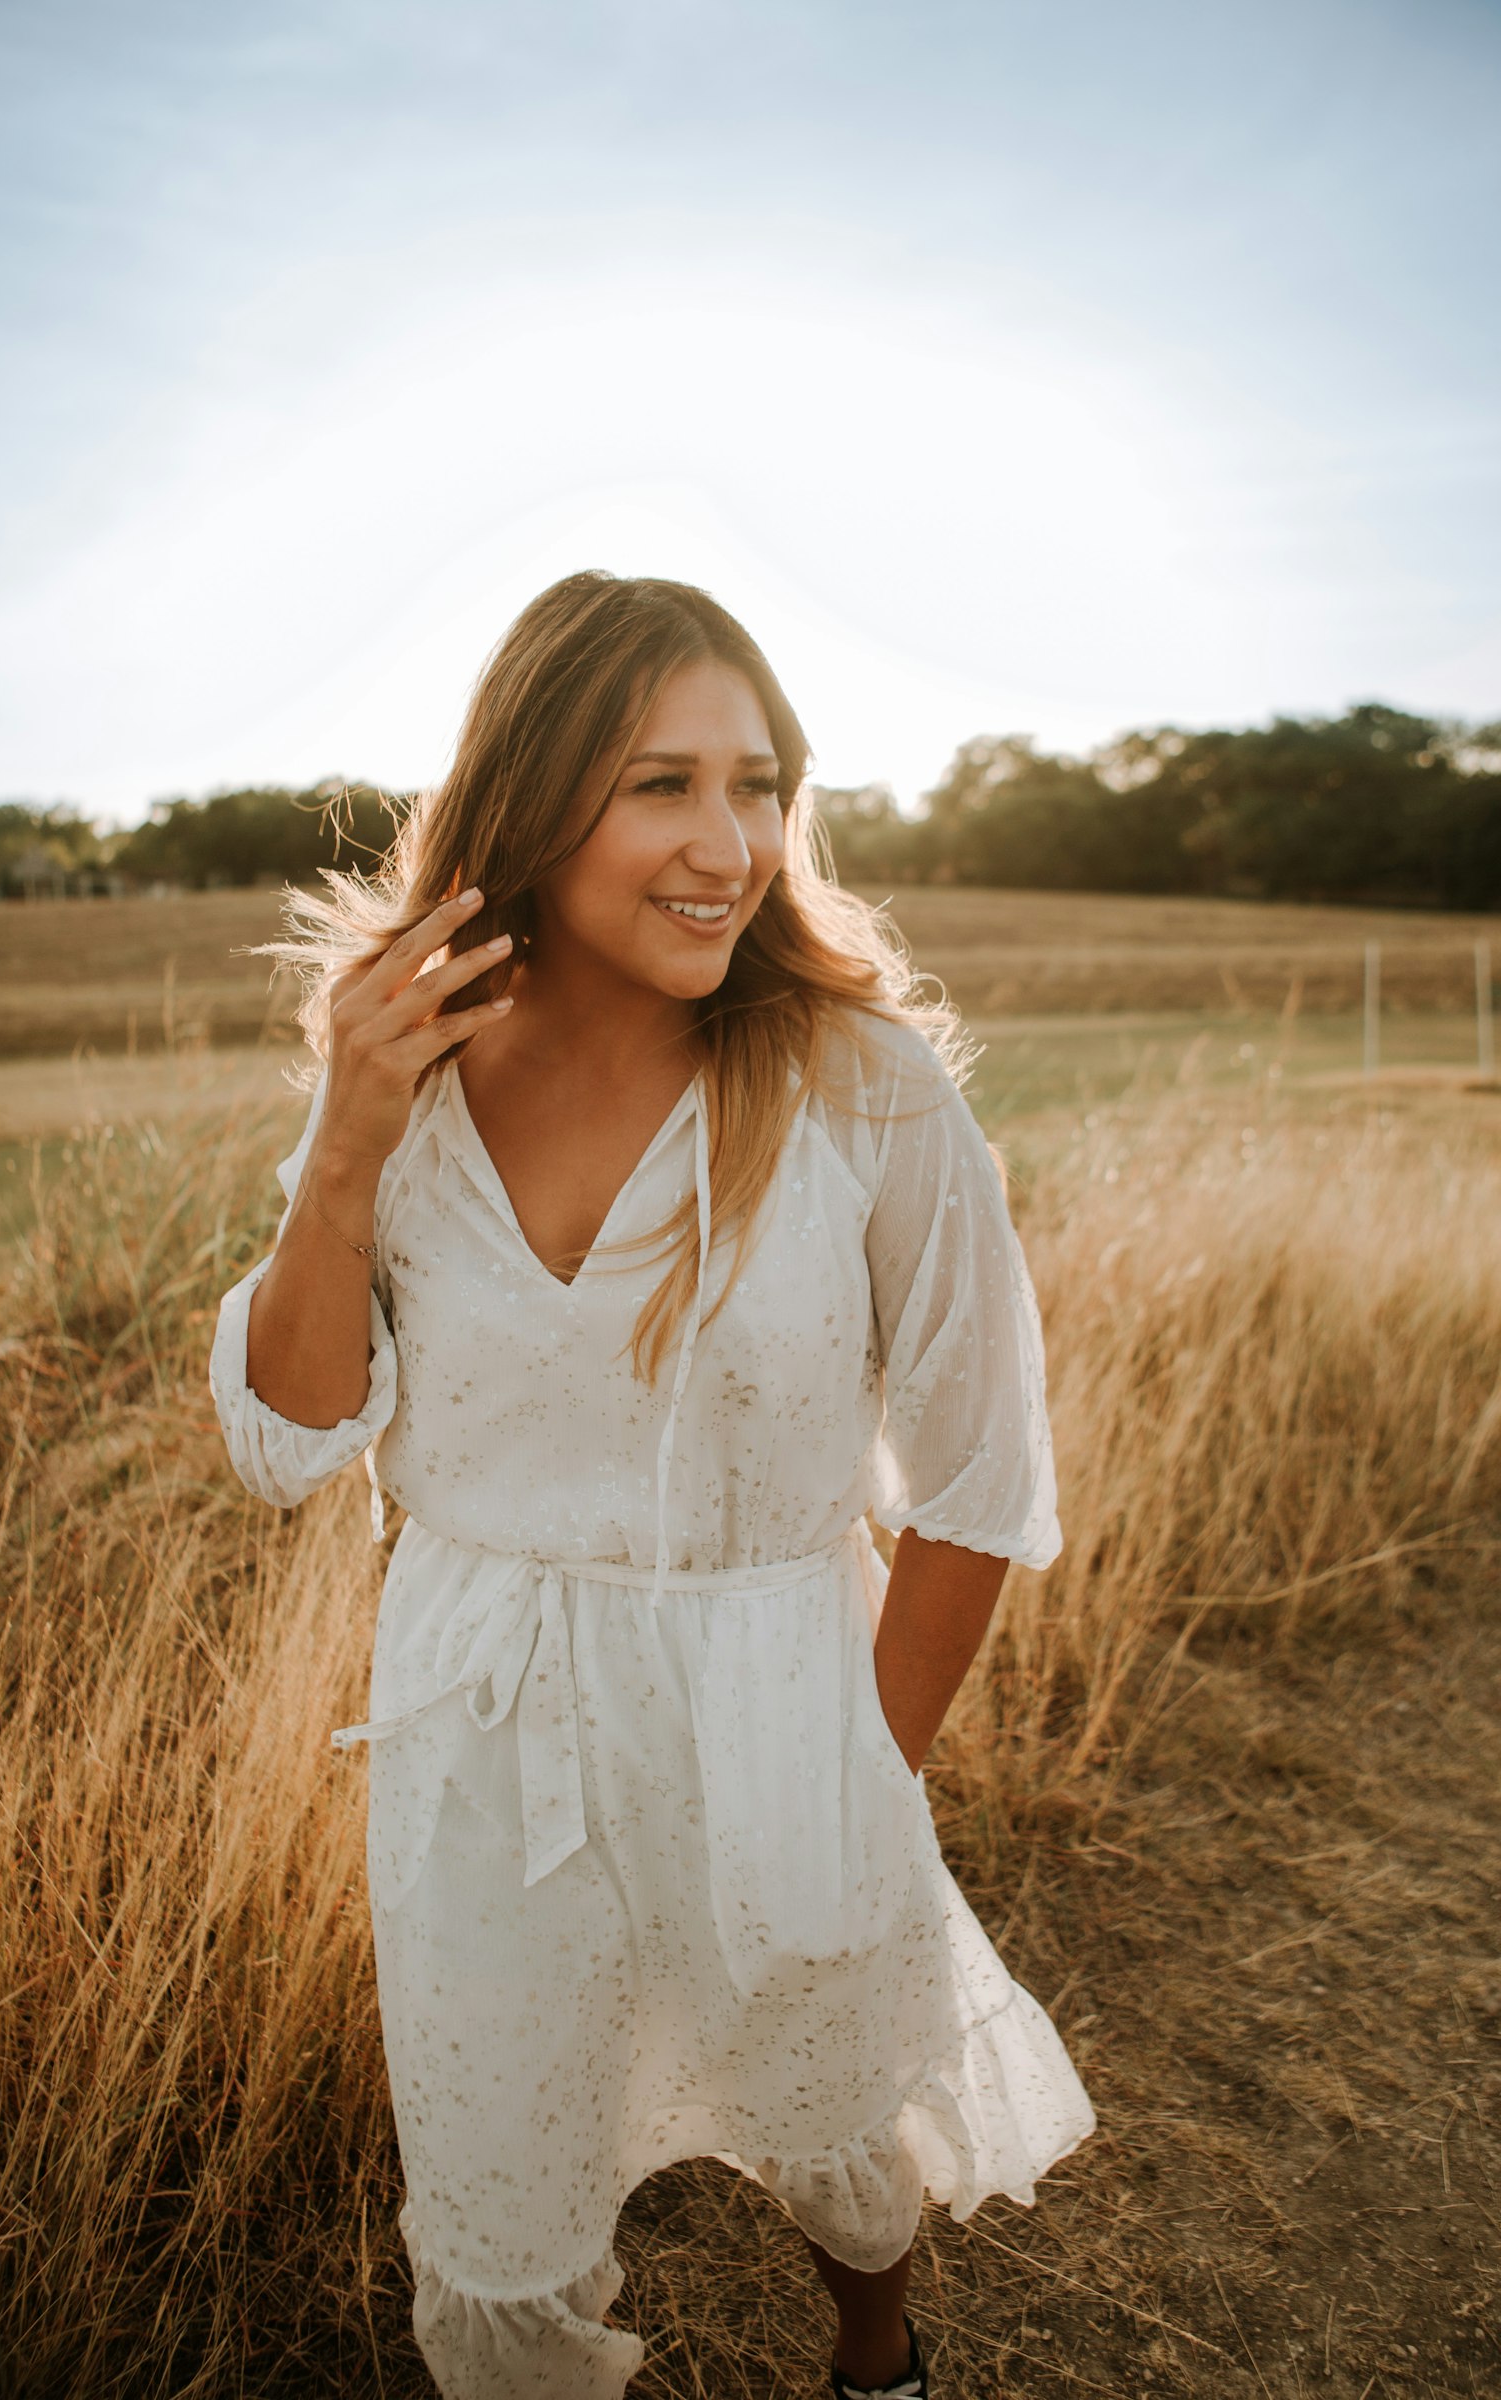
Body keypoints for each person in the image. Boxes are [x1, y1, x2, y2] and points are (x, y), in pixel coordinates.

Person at [210, 570, 1095, 2400]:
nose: (733, 843)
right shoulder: (403, 1083)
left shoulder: (868, 1092)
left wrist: (864, 1774)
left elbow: (979, 1479)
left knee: (843, 2142)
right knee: (500, 2233)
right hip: (479, 1737)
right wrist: (346, 1152)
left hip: (790, 1703)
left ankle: (880, 2351)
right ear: (531, 807)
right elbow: (286, 1439)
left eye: (758, 783)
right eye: (662, 786)